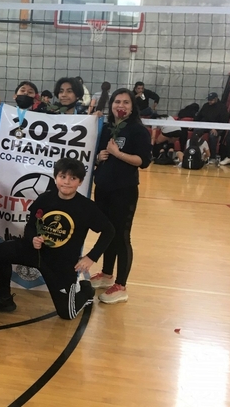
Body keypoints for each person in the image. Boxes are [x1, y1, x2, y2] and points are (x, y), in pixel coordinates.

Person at [0, 158, 114, 319]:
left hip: (61, 263)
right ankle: (4, 299)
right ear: (56, 177)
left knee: (67, 314)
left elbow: (109, 231)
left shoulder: (86, 207)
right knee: (1, 251)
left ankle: (86, 290)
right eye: (63, 177)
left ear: (80, 182)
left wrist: (91, 257)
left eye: (73, 178)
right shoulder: (45, 199)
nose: (67, 182)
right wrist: (32, 238)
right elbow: (30, 225)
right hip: (36, 252)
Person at [89, 88, 152, 304]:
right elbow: (96, 155)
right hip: (103, 188)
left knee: (122, 236)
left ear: (132, 107)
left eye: (126, 102)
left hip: (123, 190)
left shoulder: (137, 130)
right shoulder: (107, 128)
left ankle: (121, 286)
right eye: (117, 101)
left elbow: (143, 161)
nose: (120, 106)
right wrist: (100, 156)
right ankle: (107, 275)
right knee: (108, 232)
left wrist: (118, 154)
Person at [194, 92, 229, 161]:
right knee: (196, 131)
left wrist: (215, 127)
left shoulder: (222, 107)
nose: (209, 101)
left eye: (211, 100)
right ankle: (195, 152)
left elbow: (224, 121)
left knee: (212, 135)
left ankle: (212, 156)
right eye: (209, 100)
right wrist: (192, 124)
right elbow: (199, 116)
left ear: (216, 99)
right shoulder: (206, 105)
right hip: (205, 125)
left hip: (217, 127)